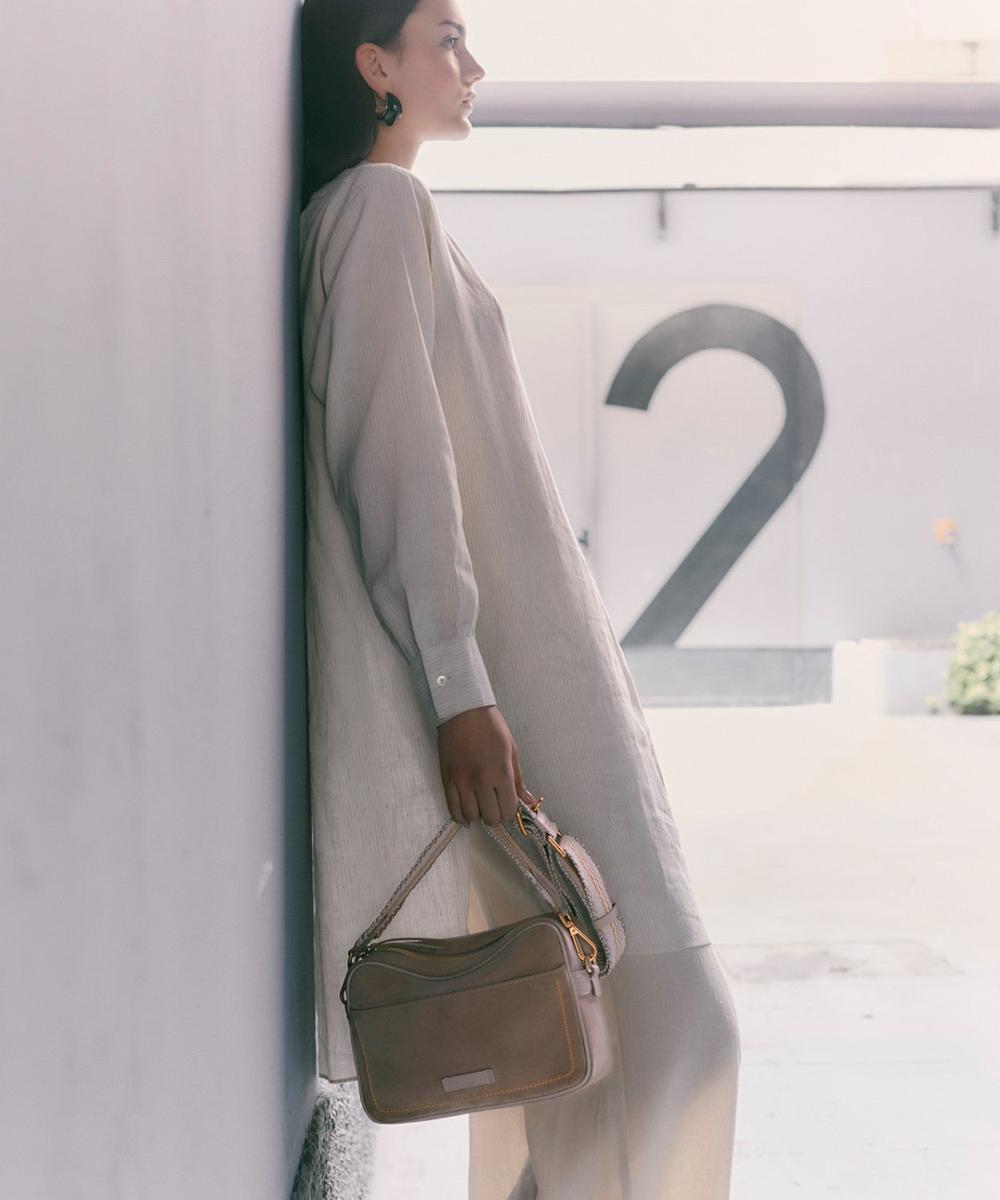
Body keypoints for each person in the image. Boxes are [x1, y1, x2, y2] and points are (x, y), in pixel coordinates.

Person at [298, 0, 741, 1195]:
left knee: (578, 1048)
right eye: (446, 38)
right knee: (676, 1032)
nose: (474, 64)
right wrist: (460, 685)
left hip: (518, 676)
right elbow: (395, 461)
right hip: (511, 692)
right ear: (374, 64)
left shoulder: (377, 213)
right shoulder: (377, 208)